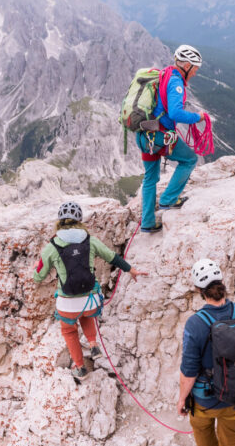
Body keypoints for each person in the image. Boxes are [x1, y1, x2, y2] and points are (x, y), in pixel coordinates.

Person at [32, 201, 147, 378]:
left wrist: (36, 267)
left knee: (69, 331)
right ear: (79, 222)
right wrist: (131, 270)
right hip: (91, 301)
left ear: (59, 223)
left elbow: (38, 277)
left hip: (68, 304)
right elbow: (112, 257)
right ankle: (93, 344)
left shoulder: (52, 246)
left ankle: (80, 367)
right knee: (86, 314)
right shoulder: (90, 241)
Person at [177, 259, 235, 446]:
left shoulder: (195, 323)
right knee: (230, 437)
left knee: (203, 434)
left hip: (204, 400)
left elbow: (189, 371)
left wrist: (182, 398)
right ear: (222, 283)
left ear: (199, 290)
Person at [136, 44, 204, 233]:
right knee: (189, 159)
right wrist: (197, 117)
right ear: (187, 66)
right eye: (195, 68)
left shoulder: (164, 73)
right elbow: (175, 113)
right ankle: (169, 200)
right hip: (161, 137)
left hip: (144, 135)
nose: (196, 73)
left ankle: (147, 223)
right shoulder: (175, 81)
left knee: (150, 178)